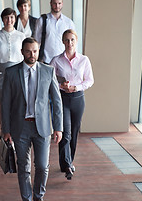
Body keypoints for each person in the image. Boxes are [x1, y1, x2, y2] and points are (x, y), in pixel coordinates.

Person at [1, 37, 63, 201]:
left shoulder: (48, 71)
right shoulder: (12, 72)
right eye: (28, 51)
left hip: (42, 127)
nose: (32, 54)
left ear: (38, 51)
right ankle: (27, 198)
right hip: (20, 127)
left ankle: (38, 196)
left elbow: (56, 102)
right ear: (22, 52)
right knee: (24, 167)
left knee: (42, 166)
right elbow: (5, 104)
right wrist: (5, 129)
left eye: (35, 51)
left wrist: (58, 127)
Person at [49, 29, 94, 180]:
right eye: (67, 40)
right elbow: (49, 78)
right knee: (65, 134)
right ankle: (68, 165)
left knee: (74, 134)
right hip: (62, 99)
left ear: (76, 41)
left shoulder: (84, 60)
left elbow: (89, 80)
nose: (69, 43)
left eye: (72, 40)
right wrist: (61, 84)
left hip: (78, 99)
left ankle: (67, 162)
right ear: (62, 41)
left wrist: (76, 87)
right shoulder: (56, 60)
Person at [0, 8, 26, 133]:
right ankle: (4, 130)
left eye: (12, 17)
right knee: (3, 103)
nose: (9, 20)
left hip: (18, 72)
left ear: (15, 19)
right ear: (2, 19)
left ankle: (15, 129)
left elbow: (25, 55)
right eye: (6, 17)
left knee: (17, 103)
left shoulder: (21, 36)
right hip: (1, 72)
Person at [34, 0, 75, 64]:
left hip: (63, 61)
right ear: (50, 3)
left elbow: (74, 43)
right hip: (45, 60)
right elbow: (36, 42)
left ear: (62, 4)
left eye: (59, 3)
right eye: (54, 3)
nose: (57, 6)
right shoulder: (41, 20)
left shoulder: (68, 22)